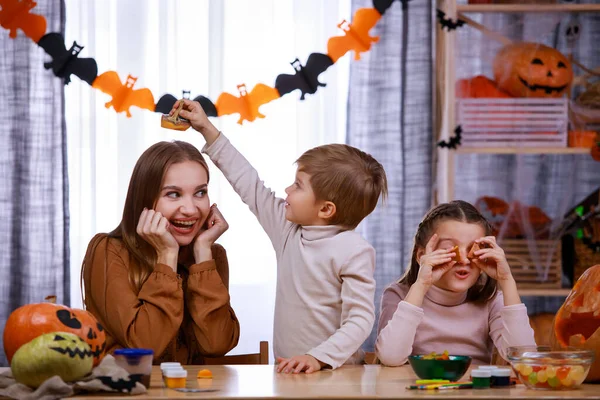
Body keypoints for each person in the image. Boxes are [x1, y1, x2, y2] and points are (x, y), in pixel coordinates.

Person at [170, 99, 388, 373]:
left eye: (298, 186)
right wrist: (206, 128)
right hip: (290, 373)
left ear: (325, 209)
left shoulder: (354, 251)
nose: (286, 189)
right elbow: (249, 182)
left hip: (337, 374)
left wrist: (317, 357)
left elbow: (360, 320)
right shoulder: (288, 230)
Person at [81, 140, 240, 364]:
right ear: (145, 199)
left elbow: (216, 345)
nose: (190, 209)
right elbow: (146, 346)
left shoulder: (210, 254)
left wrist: (204, 253)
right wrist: (167, 256)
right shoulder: (108, 251)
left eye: (200, 192)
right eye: (173, 194)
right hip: (130, 394)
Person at [376, 200, 536, 366]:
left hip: (473, 390)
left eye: (472, 248)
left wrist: (506, 280)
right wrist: (421, 285)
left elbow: (524, 359)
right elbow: (390, 357)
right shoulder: (398, 295)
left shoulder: (491, 300)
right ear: (421, 255)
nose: (464, 259)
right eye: (449, 248)